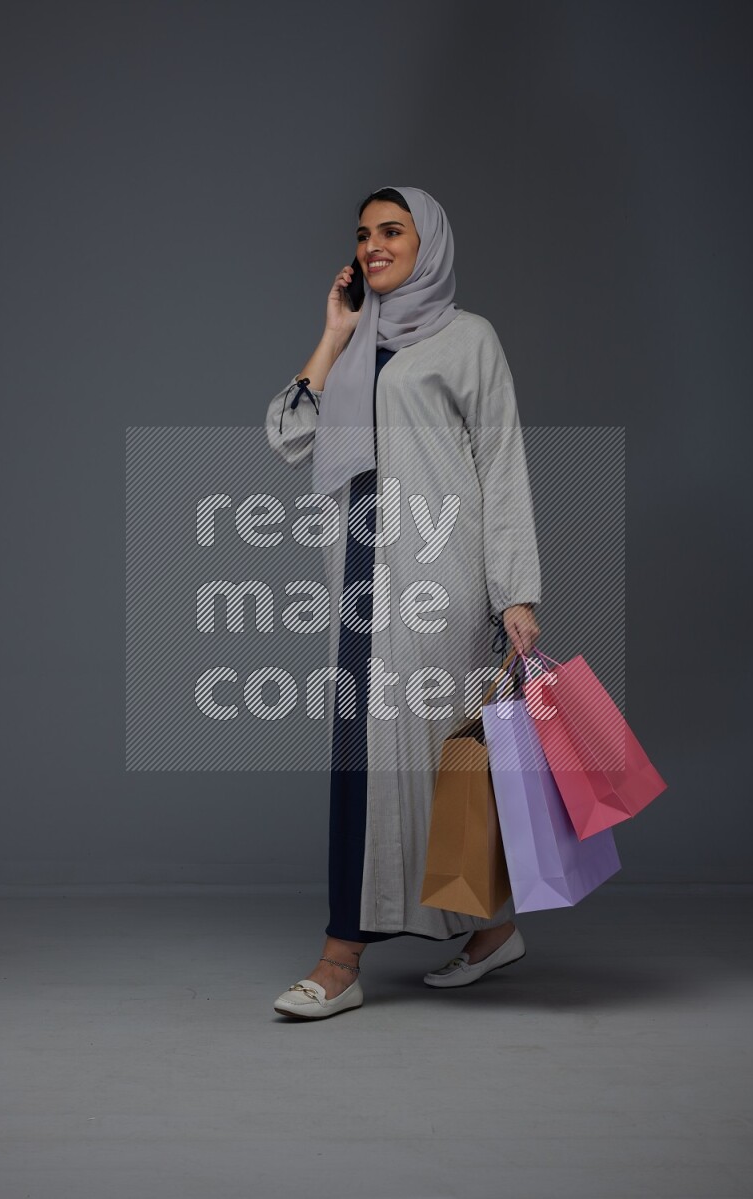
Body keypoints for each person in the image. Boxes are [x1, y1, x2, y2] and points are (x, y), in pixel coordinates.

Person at [265, 186, 541, 1019]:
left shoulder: (468, 340)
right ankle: (350, 953)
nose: (375, 245)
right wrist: (333, 332)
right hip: (358, 571)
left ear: (431, 243)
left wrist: (516, 593)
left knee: (445, 758)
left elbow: (501, 463)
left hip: (439, 571)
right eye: (364, 234)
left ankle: (470, 932)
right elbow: (286, 434)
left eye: (393, 231)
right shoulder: (356, 345)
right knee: (364, 753)